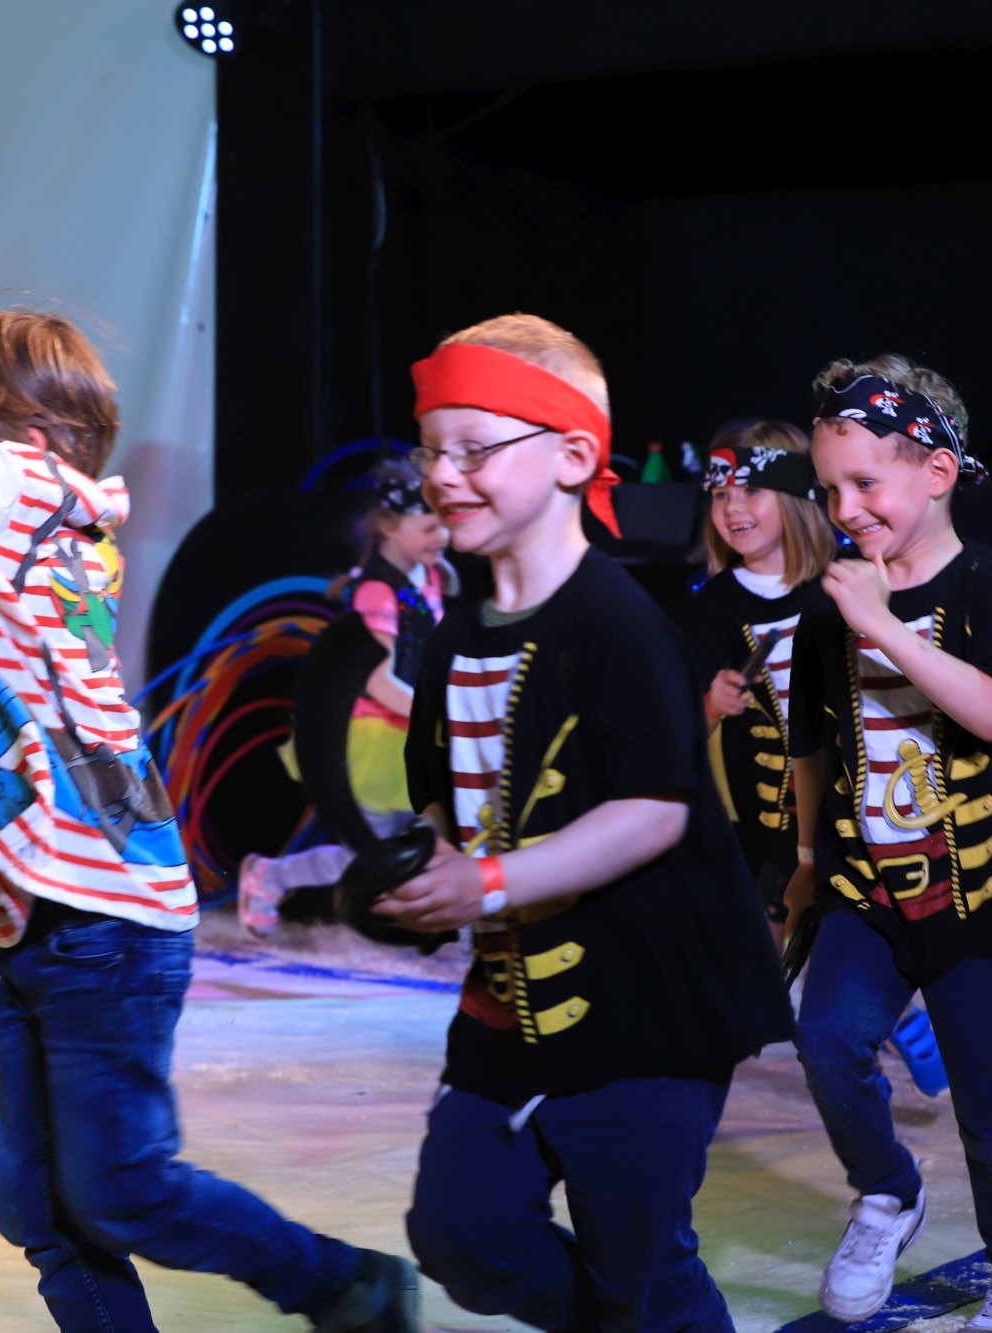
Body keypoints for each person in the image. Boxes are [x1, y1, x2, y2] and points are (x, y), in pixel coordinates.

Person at [0, 164, 418, 1332]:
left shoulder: (1, 490)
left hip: (99, 919)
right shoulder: (32, 510)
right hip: (57, 912)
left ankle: (344, 1285)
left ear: (10, 429)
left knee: (121, 1189)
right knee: (46, 1210)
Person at [374, 314, 791, 1333]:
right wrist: (420, 872)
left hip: (646, 1012)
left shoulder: (617, 623)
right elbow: (441, 799)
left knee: (639, 1274)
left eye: (475, 448)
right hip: (506, 1012)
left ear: (570, 456)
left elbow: (652, 811)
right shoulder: (455, 634)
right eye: (431, 451)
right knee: (461, 1235)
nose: (443, 475)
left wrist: (486, 881)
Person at [785, 355, 992, 1329]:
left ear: (937, 472)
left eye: (865, 482)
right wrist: (805, 868)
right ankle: (886, 1191)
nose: (844, 508)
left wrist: (883, 625)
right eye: (830, 489)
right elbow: (810, 744)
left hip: (976, 894)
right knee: (826, 1040)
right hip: (864, 890)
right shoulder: (828, 602)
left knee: (987, 1109)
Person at [237, 462, 453, 935]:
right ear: (390, 527)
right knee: (368, 851)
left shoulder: (430, 576)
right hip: (375, 734)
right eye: (429, 526)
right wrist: (439, 716)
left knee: (425, 840)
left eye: (445, 524)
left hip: (411, 730)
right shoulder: (376, 591)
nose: (444, 536)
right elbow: (377, 681)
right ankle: (269, 877)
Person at [683, 419, 834, 952]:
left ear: (795, 496)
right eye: (721, 494)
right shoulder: (713, 606)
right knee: (766, 937)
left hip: (846, 805)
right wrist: (712, 702)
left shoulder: (841, 584)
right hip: (764, 818)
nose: (732, 508)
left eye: (750, 491)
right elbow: (679, 731)